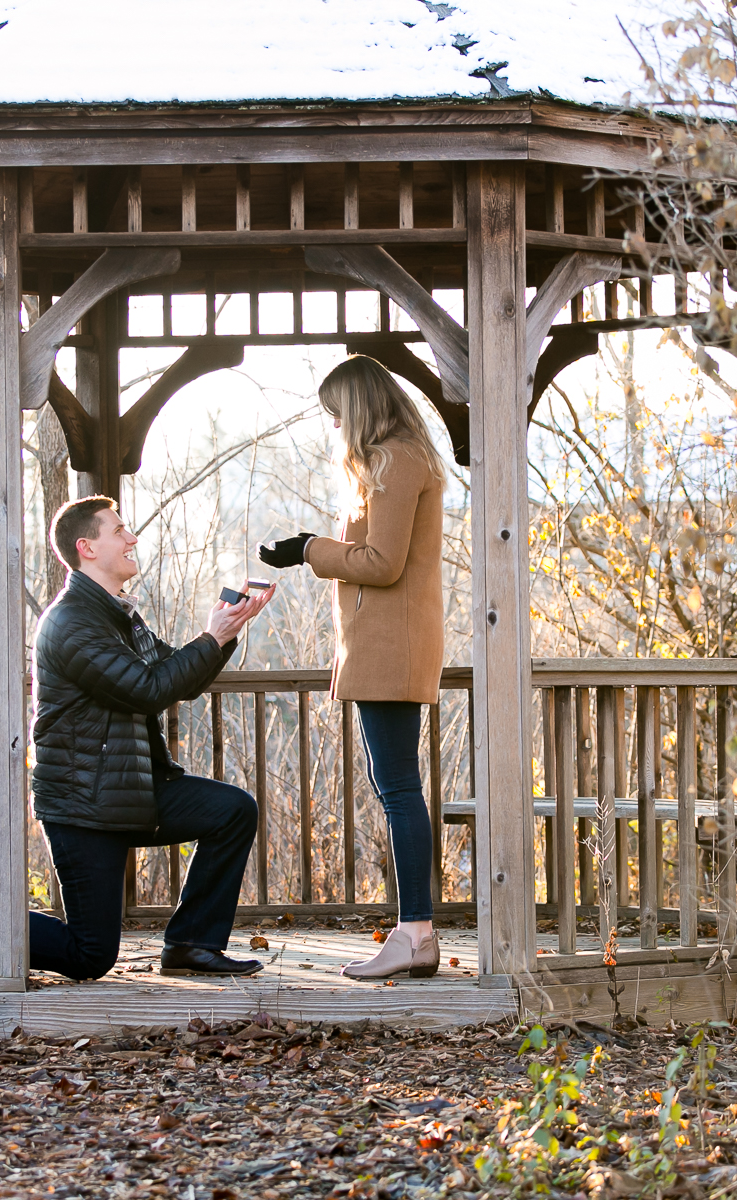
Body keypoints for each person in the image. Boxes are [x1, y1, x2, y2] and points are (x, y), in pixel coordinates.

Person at [30, 495, 275, 979]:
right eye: (118, 531)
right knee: (89, 956)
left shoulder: (119, 615)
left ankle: (191, 945)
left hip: (132, 789)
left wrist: (222, 634)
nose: (132, 538)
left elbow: (176, 676)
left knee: (233, 810)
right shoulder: (71, 621)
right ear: (87, 548)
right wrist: (210, 638)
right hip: (84, 804)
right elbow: (148, 689)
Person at [258, 355, 446, 980]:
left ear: (358, 408)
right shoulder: (395, 459)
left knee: (397, 789)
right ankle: (414, 932)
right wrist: (312, 547)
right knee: (394, 785)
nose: (334, 427)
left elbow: (383, 562)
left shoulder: (396, 459)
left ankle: (415, 931)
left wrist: (311, 548)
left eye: (336, 414)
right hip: (381, 645)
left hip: (392, 646)